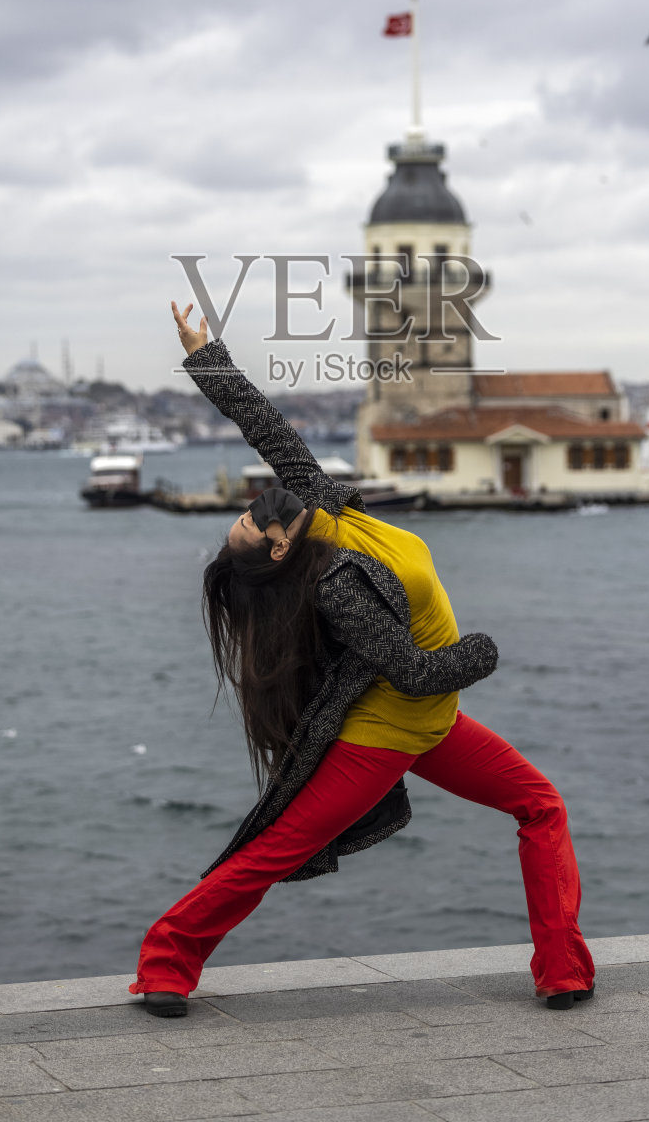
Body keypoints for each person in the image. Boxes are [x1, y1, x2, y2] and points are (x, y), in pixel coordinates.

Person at [129, 302, 595, 1016]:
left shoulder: (318, 506)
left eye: (249, 509)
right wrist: (483, 651)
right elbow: (412, 671)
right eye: (253, 520)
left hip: (432, 725)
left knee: (539, 806)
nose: (257, 503)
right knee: (275, 848)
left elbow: (265, 426)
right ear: (279, 546)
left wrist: (205, 355)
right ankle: (165, 959)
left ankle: (561, 968)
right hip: (384, 732)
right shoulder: (338, 584)